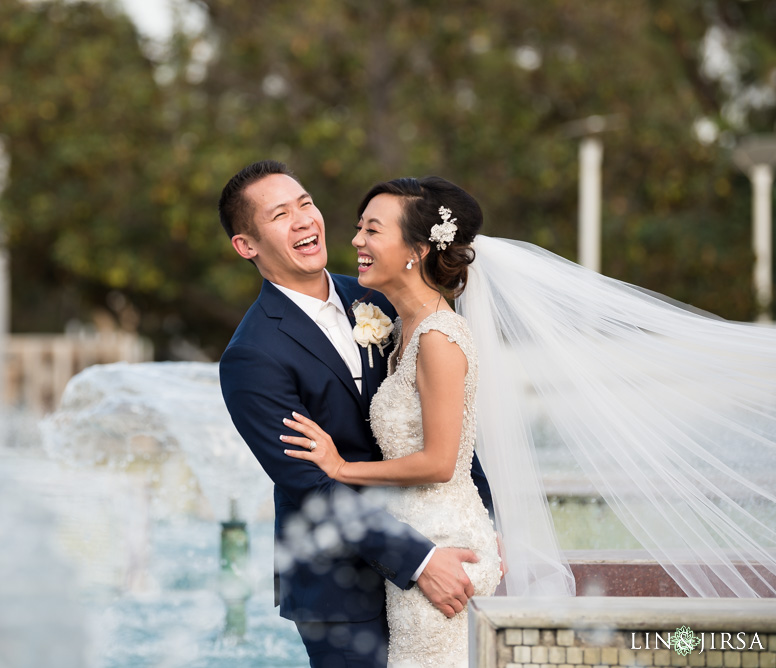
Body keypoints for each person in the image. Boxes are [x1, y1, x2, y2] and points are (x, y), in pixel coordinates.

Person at [288, 173, 776, 662]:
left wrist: (340, 468)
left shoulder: (438, 338)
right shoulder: (400, 331)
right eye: (359, 227)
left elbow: (440, 461)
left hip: (443, 546)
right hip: (421, 537)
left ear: (417, 248)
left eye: (372, 230)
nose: (356, 240)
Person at [217, 161, 496, 668]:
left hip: (448, 550)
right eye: (280, 214)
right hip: (343, 593)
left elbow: (449, 424)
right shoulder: (251, 356)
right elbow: (312, 485)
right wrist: (420, 561)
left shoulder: (377, 295)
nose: (304, 220)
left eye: (305, 204)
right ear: (247, 245)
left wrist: (485, 525)